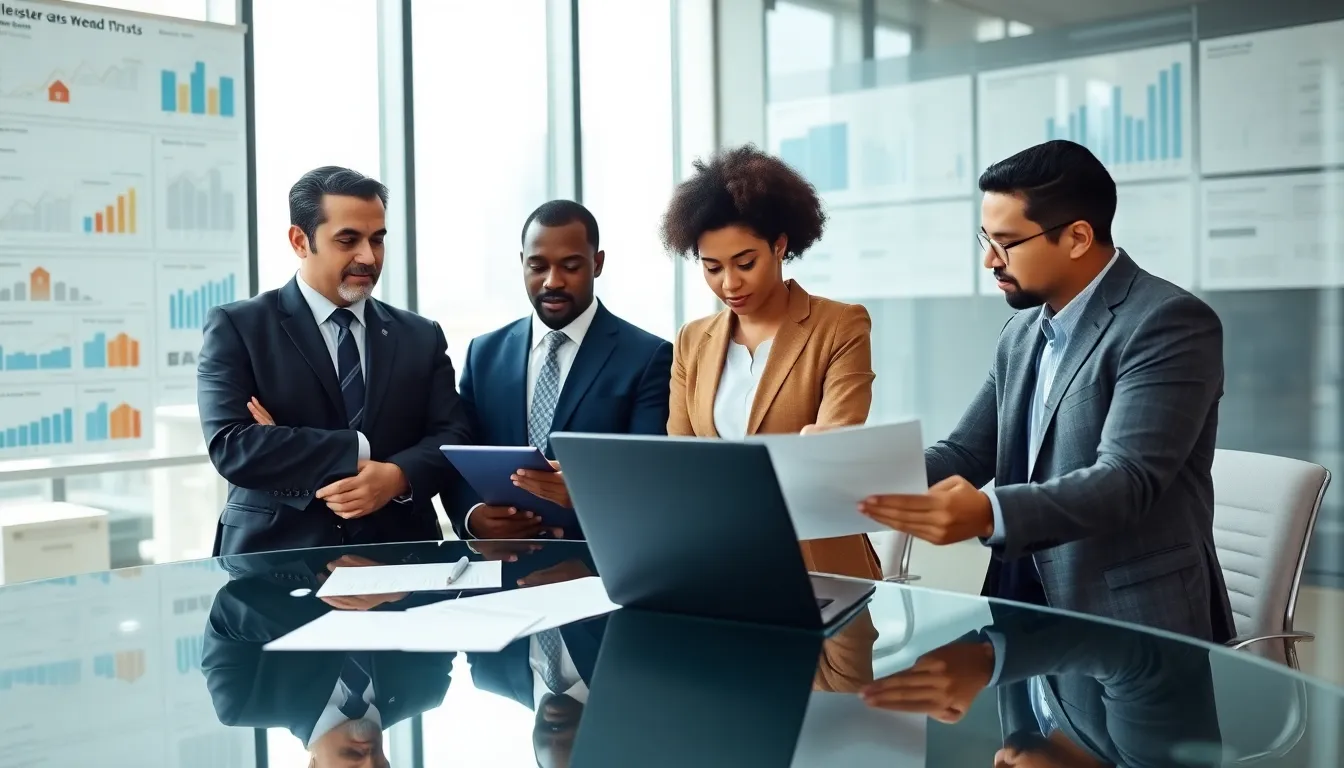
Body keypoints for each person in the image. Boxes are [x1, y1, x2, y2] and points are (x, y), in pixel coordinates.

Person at [849, 140, 1233, 641]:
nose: (989, 259)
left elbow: (1126, 481)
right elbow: (966, 451)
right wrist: (845, 475)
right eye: (984, 238)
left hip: (1130, 621)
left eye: (1006, 242)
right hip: (1020, 610)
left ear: (1076, 237)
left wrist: (990, 514)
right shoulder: (1024, 331)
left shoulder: (1167, 322)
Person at [197, 166, 472, 556]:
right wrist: (358, 449)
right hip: (276, 559)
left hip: (400, 557)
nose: (368, 256)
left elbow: (453, 436)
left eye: (377, 240)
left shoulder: (420, 335)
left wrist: (396, 477)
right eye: (348, 240)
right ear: (299, 241)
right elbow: (233, 445)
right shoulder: (239, 327)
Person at [660, 145, 881, 581]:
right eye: (712, 267)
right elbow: (680, 460)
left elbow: (831, 445)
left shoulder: (839, 325)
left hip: (819, 565)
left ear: (780, 245)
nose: (729, 283)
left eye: (745, 263)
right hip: (720, 561)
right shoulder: (691, 340)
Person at [449, 200, 673, 540]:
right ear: (522, 263)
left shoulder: (647, 356)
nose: (552, 281)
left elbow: (651, 474)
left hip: (598, 565)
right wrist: (473, 516)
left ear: (597, 264)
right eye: (538, 266)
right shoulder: (484, 354)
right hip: (503, 565)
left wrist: (586, 492)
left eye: (570, 266)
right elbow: (457, 456)